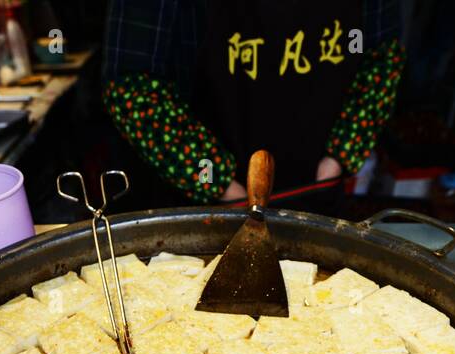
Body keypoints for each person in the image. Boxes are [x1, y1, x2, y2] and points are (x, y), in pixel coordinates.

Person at [102, 0, 403, 203]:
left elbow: (382, 59)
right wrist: (217, 182)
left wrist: (337, 158)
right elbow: (132, 86)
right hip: (204, 200)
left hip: (316, 190)